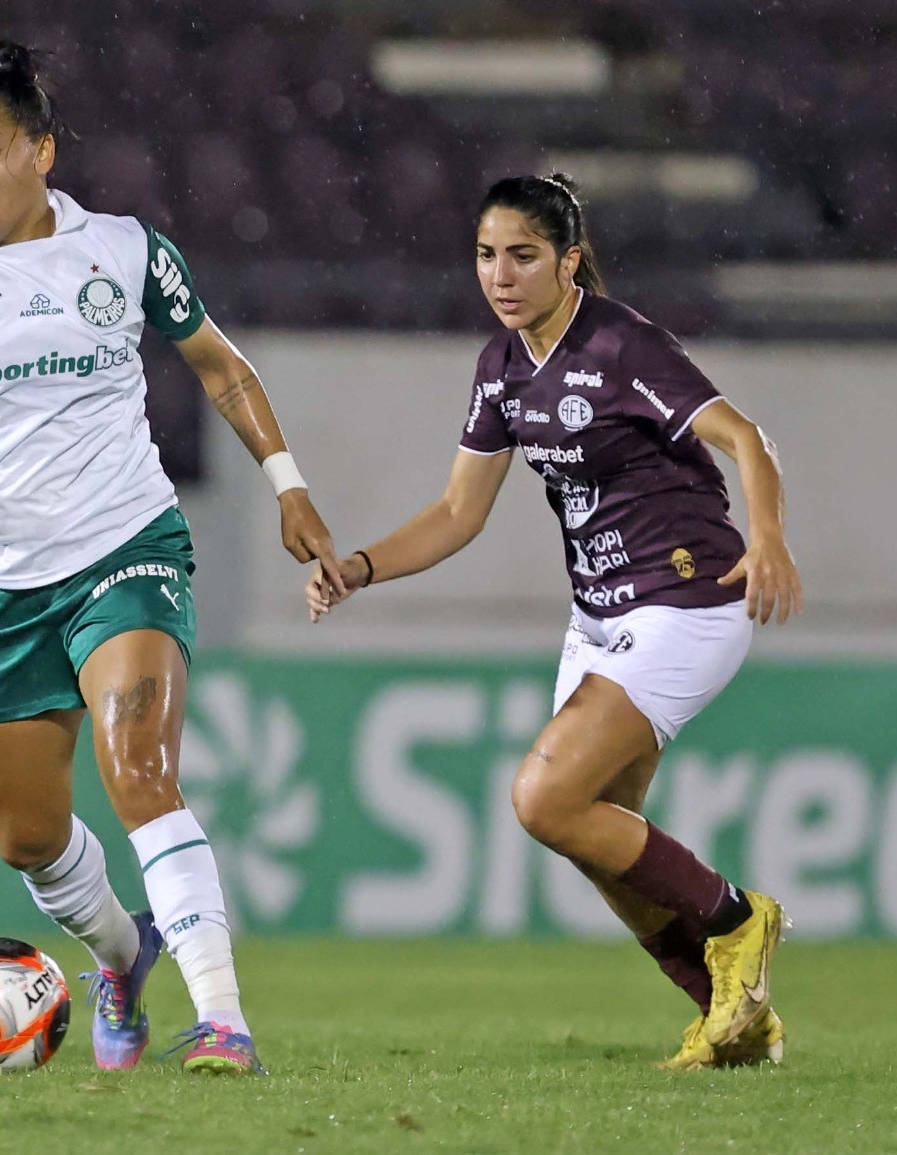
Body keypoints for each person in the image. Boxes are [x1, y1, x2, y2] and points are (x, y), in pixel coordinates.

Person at [0, 41, 344, 1076]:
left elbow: (219, 368)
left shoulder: (126, 252)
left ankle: (223, 1018)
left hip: (124, 545)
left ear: (42, 151)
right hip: (0, 580)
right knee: (26, 838)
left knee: (138, 770)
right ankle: (121, 951)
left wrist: (289, 485)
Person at [306, 173, 805, 1070]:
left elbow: (746, 438)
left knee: (544, 799)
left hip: (686, 601)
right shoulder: (500, 367)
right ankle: (735, 1016)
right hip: (598, 617)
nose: (501, 275)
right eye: (487, 256)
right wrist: (361, 568)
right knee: (605, 840)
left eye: (524, 256)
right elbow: (459, 513)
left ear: (569, 261)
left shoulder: (621, 345)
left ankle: (739, 920)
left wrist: (767, 536)